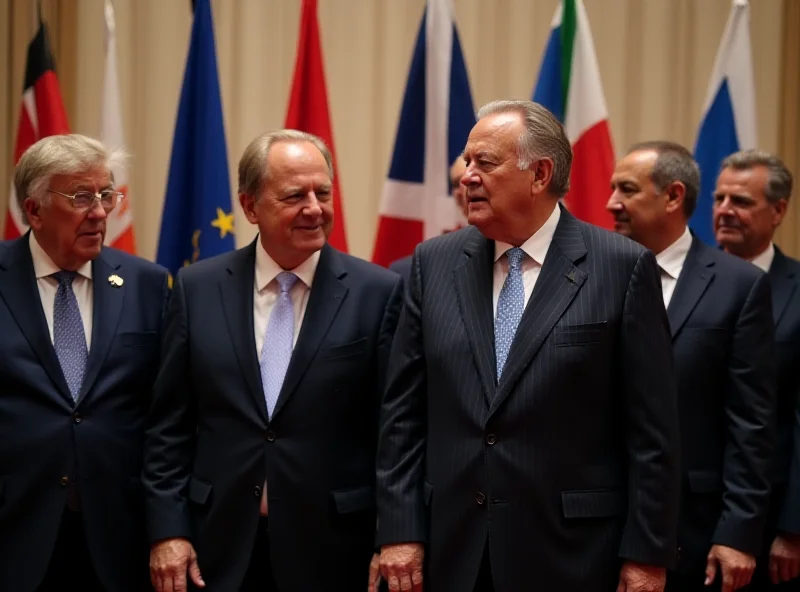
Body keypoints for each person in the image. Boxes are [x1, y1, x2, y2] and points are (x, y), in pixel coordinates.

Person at [372, 100, 681, 592]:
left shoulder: (621, 268)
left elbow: (653, 433)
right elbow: (402, 416)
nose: (466, 177)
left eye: (484, 163)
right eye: (467, 161)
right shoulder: (433, 264)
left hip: (573, 552)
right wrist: (399, 531)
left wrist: (646, 556)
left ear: (540, 174)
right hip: (452, 548)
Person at [144, 130, 403, 591]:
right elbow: (169, 427)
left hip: (336, 546)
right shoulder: (195, 288)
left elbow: (395, 431)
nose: (314, 207)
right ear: (249, 207)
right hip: (216, 546)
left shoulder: (377, 293)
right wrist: (169, 529)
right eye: (294, 195)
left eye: (322, 192)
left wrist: (396, 535)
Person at [0, 134, 169, 591]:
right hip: (15, 530)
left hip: (119, 535)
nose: (99, 212)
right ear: (33, 211)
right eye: (81, 197)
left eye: (105, 194)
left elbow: (166, 415)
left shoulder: (147, 284)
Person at [607, 141, 777, 591]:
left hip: (694, 530)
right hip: (597, 524)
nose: (611, 204)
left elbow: (752, 424)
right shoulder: (594, 276)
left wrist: (738, 533)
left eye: (626, 189)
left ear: (673, 196)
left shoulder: (739, 286)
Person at [713, 150, 800, 589]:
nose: (725, 210)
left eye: (741, 201)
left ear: (778, 210)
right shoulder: (677, 282)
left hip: (772, 520)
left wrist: (794, 527)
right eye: (719, 198)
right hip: (693, 513)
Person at [389, 158, 469, 282]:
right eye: (456, 184)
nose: (462, 191)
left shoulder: (506, 258)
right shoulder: (413, 272)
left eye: (469, 181)